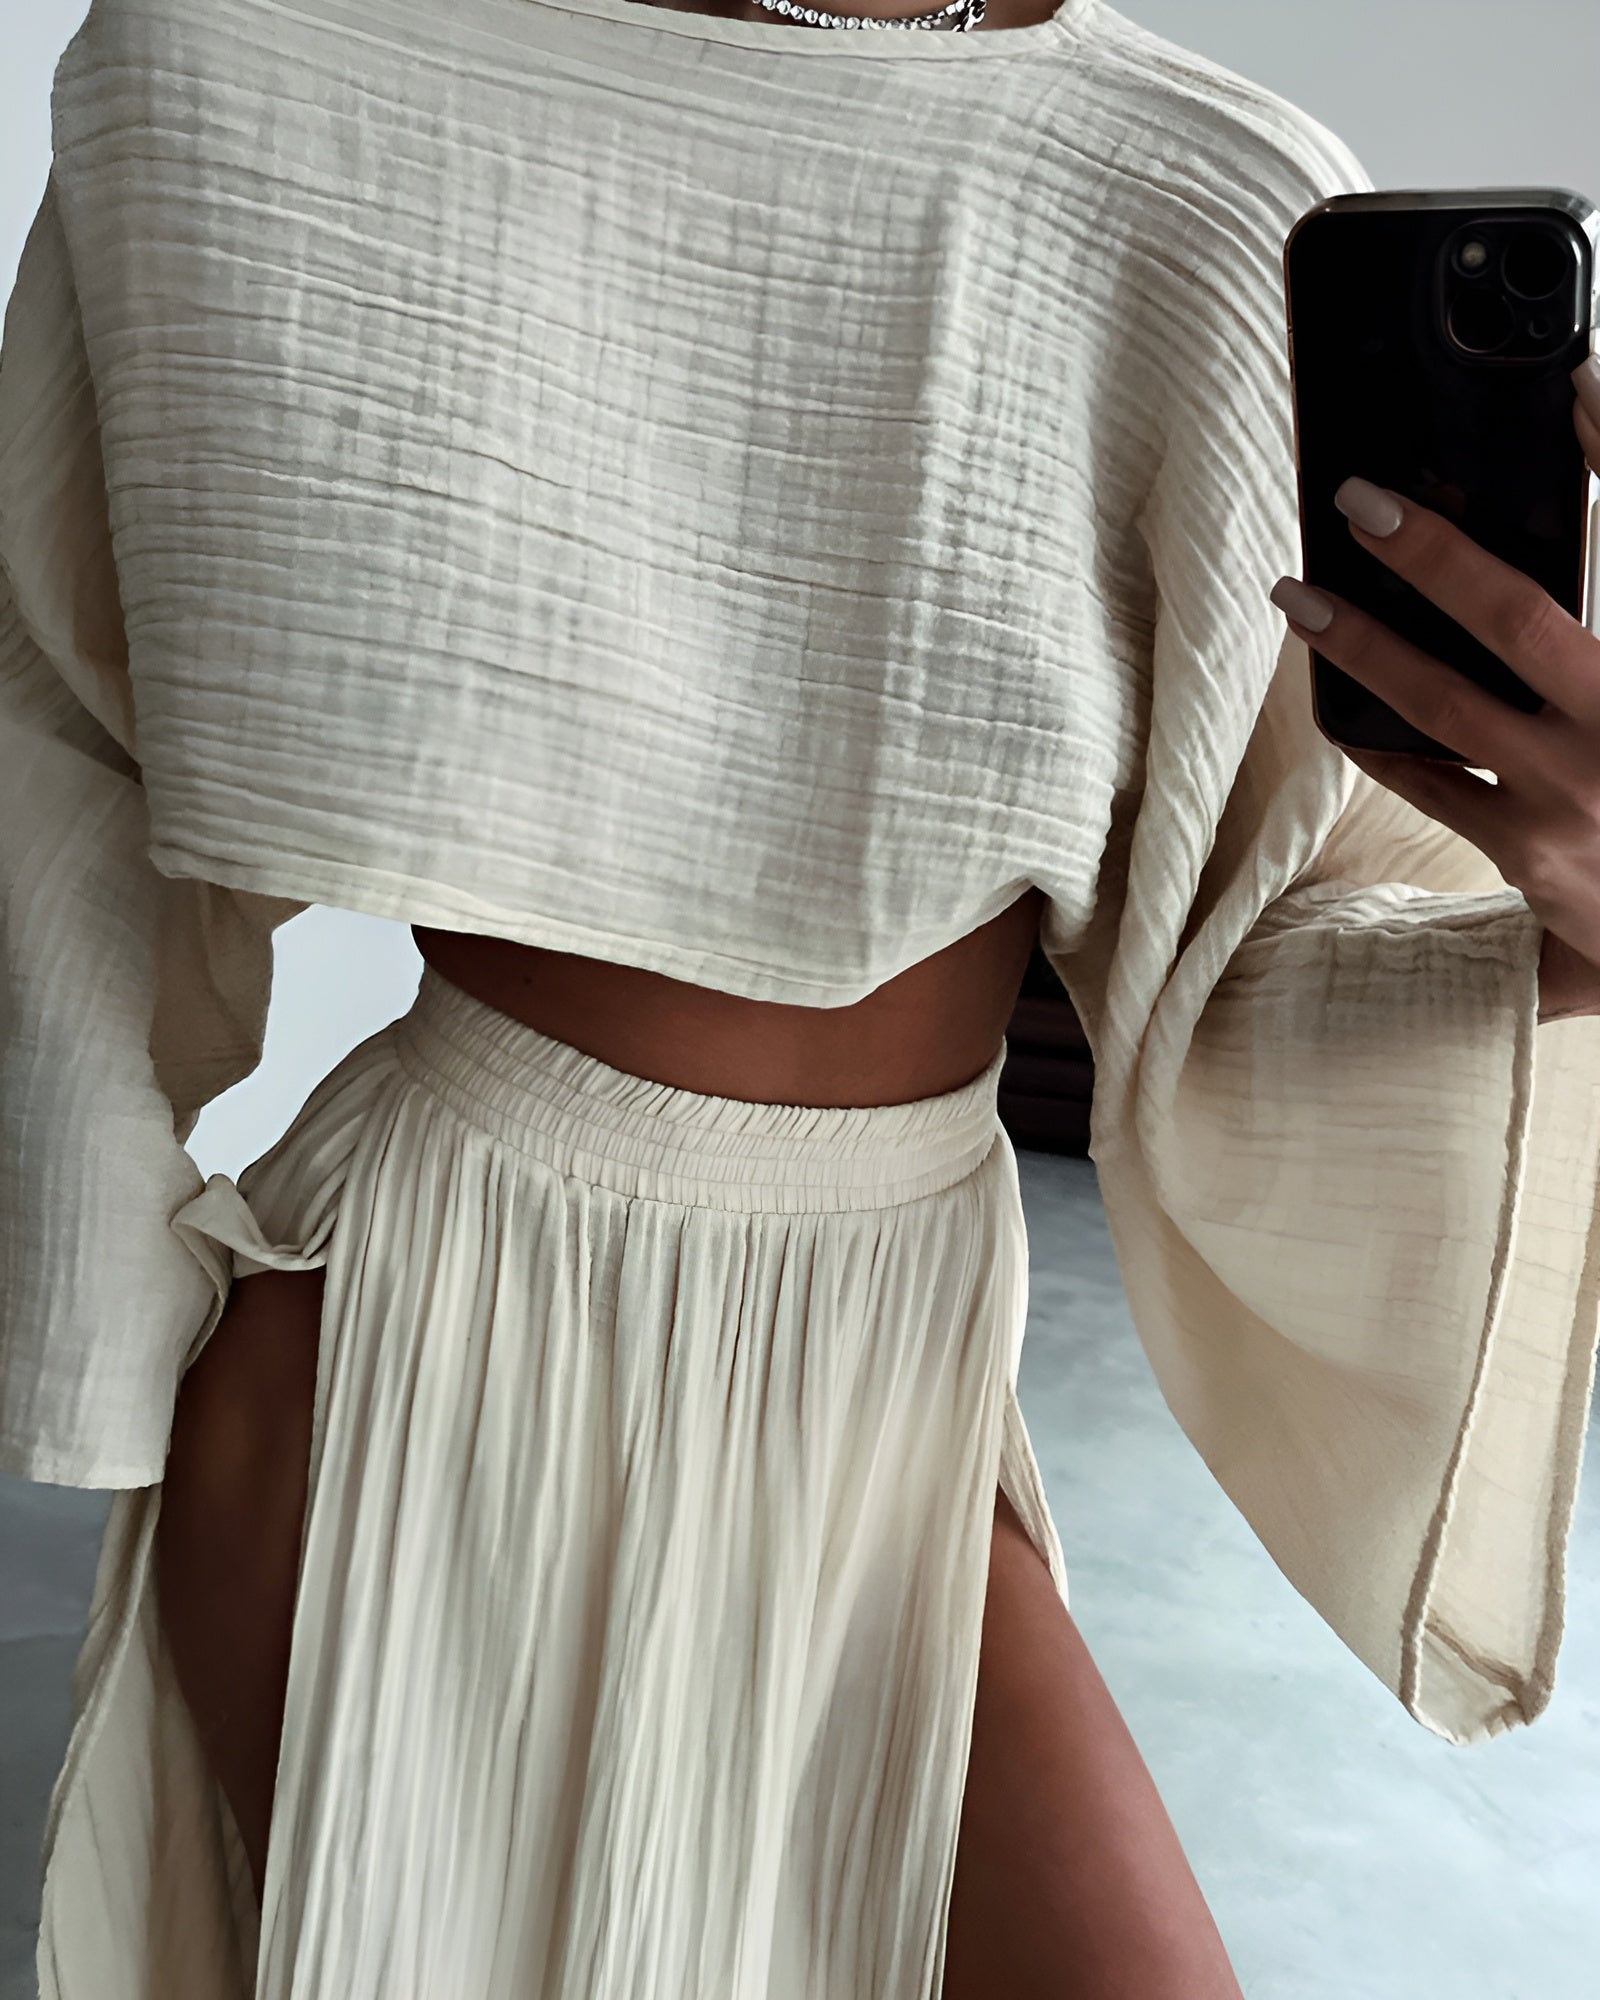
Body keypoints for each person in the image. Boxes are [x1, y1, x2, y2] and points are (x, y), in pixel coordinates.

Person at [4, 0, 1600, 1994]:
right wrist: (106, 1345)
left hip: (880, 1374)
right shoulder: (249, 59)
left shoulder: (1204, 203)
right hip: (401, 1337)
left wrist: (1571, 928)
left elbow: (1245, 965)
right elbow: (57, 756)